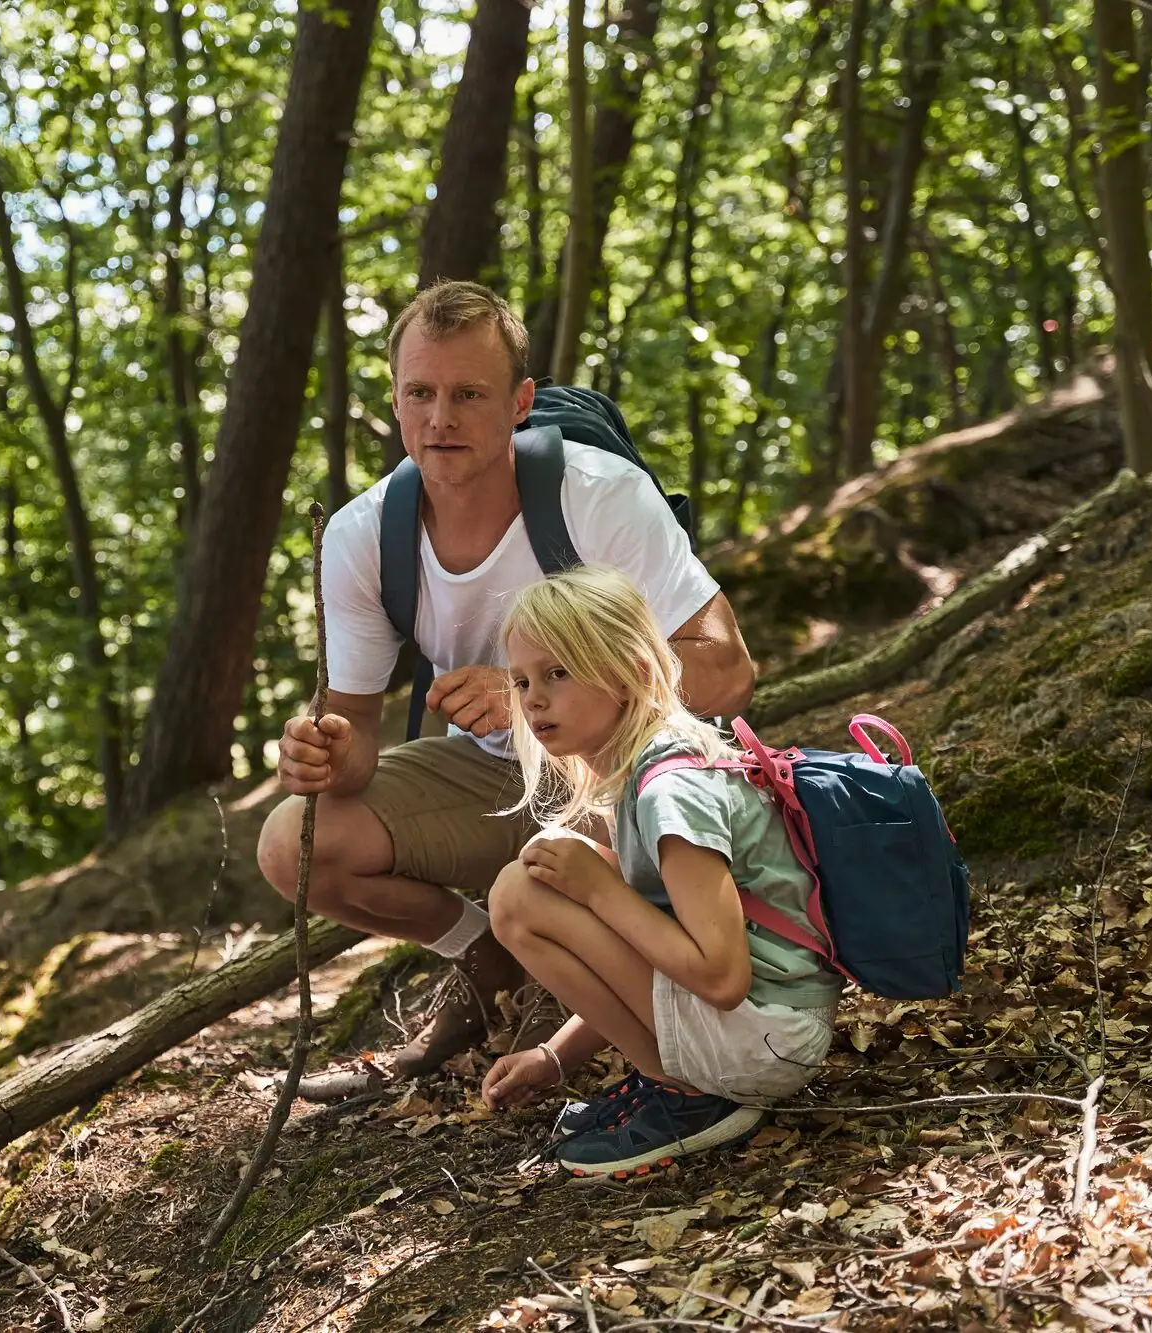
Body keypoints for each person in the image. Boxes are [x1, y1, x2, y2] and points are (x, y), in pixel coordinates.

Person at [258, 280, 756, 1101]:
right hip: (495, 777)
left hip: (627, 775)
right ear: (395, 398)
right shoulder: (362, 536)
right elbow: (351, 743)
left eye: (468, 394)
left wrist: (541, 679)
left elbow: (728, 670)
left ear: (520, 402)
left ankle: (653, 1049)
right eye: (420, 393)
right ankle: (482, 955)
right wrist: (320, 749)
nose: (440, 418)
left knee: (562, 861)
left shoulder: (597, 496)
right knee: (294, 842)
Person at [476, 565, 842, 1178]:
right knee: (557, 869)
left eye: (557, 673)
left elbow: (721, 977)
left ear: (630, 673)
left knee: (521, 892)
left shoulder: (671, 789)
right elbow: (642, 961)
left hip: (767, 1039)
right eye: (520, 681)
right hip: (762, 1028)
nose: (533, 698)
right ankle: (675, 1084)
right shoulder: (647, 769)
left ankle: (689, 1097)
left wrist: (599, 890)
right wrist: (554, 1057)